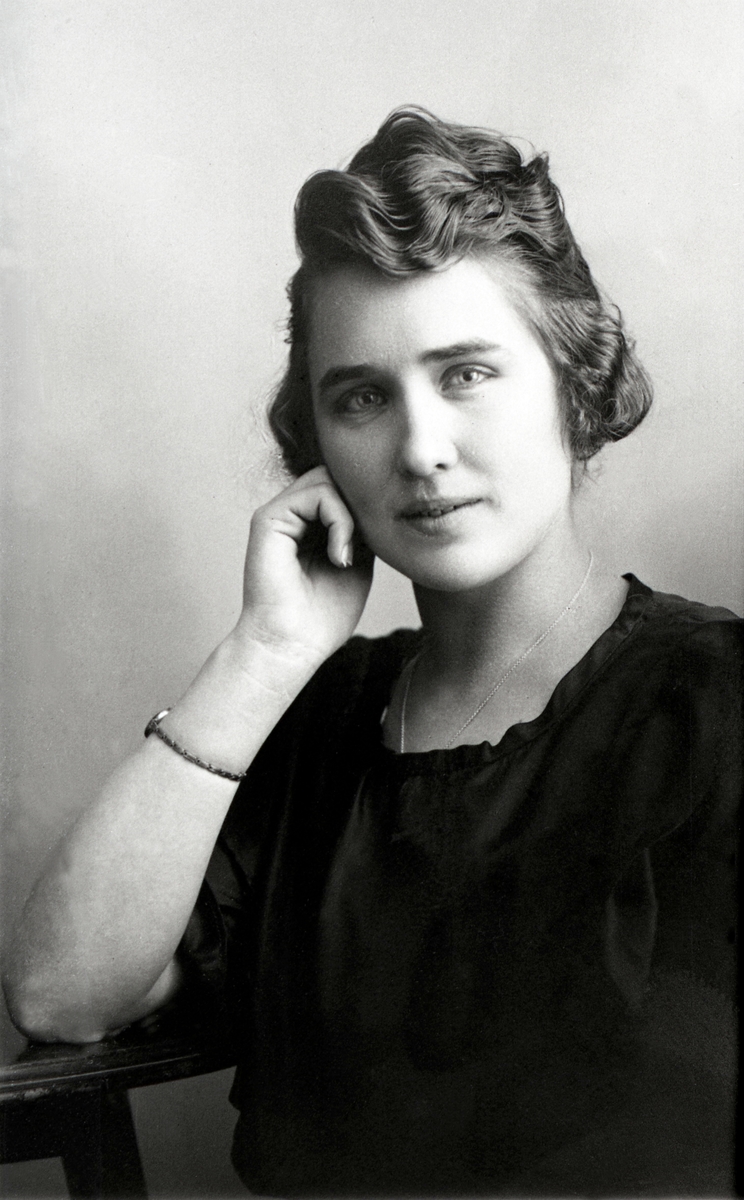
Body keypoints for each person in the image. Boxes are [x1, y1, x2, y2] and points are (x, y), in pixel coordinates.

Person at [3, 108, 740, 1196]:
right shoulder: (321, 718)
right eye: (362, 397)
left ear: (574, 383)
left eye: (468, 374)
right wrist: (265, 651)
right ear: (318, 444)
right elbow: (60, 997)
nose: (422, 450)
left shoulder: (715, 706)